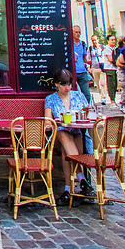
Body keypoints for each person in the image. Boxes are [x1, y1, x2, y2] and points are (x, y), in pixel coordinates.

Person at [44, 68, 94, 204]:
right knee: (63, 133)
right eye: (64, 84)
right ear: (56, 84)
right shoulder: (50, 99)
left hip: (77, 132)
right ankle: (81, 176)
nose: (68, 87)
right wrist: (54, 123)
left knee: (68, 150)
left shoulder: (79, 96)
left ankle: (68, 190)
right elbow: (48, 121)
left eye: (69, 84)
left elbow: (87, 114)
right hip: (58, 137)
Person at [72, 25, 92, 104]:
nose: (78, 34)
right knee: (73, 92)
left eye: (79, 32)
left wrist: (88, 64)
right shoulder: (68, 43)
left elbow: (84, 58)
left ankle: (86, 108)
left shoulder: (83, 44)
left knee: (86, 93)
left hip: (82, 71)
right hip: (73, 71)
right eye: (76, 32)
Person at [88, 34, 107, 104]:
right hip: (94, 68)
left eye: (95, 40)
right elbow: (88, 58)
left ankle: (103, 98)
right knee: (97, 84)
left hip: (102, 68)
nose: (94, 42)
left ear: (98, 40)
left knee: (102, 83)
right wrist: (88, 67)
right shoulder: (90, 49)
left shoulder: (103, 47)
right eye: (93, 40)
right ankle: (101, 94)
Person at [102, 34, 119, 105]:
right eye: (112, 40)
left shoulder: (114, 49)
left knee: (115, 84)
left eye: (114, 40)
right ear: (108, 41)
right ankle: (112, 99)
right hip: (109, 68)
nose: (113, 41)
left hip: (114, 68)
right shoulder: (107, 49)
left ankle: (114, 98)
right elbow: (111, 59)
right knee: (111, 84)